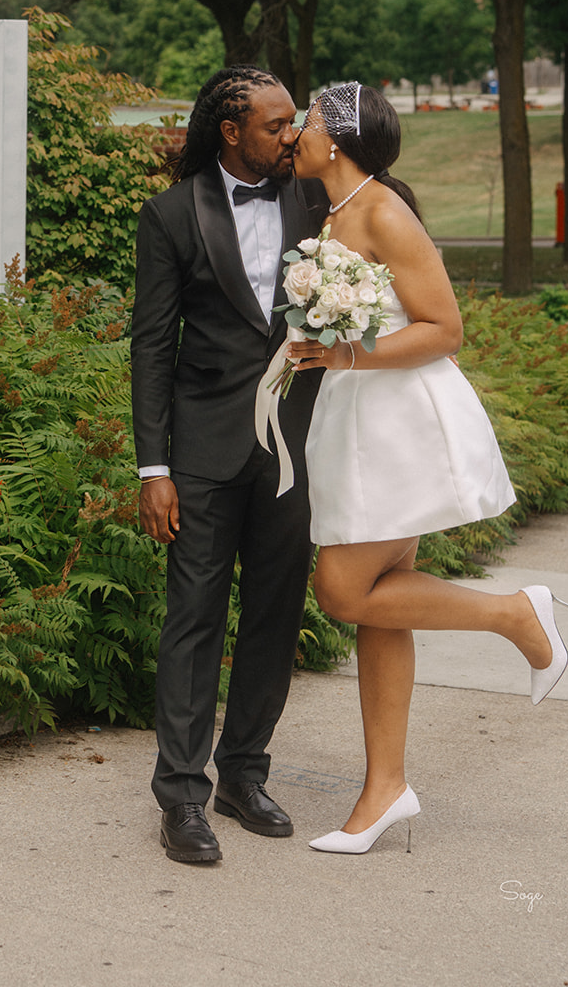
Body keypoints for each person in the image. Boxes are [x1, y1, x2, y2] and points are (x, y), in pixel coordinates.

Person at [287, 82, 568, 855]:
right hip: (355, 417)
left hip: (397, 423)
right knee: (383, 607)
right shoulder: (335, 213)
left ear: (338, 140)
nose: (296, 133)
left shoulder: (383, 211)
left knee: (343, 590)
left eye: (308, 122)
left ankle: (517, 614)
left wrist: (342, 351)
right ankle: (385, 789)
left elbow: (445, 329)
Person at [132, 66, 329, 864]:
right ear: (231, 131)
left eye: (295, 122)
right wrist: (154, 469)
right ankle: (180, 797)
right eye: (278, 125)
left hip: (292, 450)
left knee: (276, 617)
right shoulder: (171, 215)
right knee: (193, 621)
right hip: (205, 454)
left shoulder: (317, 205)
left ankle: (243, 773)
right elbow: (152, 347)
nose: (293, 135)